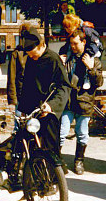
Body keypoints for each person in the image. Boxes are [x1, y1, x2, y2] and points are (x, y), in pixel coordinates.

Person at [18, 27, 71, 156]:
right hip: (33, 111)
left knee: (50, 148)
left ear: (42, 46)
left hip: (48, 111)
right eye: (30, 55)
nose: (32, 58)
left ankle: (54, 174)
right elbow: (27, 86)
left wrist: (51, 105)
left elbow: (64, 86)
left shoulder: (53, 59)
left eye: (34, 54)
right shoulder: (31, 60)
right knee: (30, 147)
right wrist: (23, 110)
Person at [59, 30, 103, 174]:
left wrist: (91, 68)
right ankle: (57, 163)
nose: (72, 46)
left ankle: (79, 161)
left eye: (76, 43)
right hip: (68, 102)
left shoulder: (93, 59)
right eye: (71, 43)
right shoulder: (67, 58)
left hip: (84, 102)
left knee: (82, 133)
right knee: (61, 132)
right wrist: (60, 65)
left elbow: (99, 82)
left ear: (84, 42)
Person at [7, 23, 29, 131]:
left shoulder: (37, 53)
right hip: (21, 94)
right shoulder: (17, 53)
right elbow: (11, 77)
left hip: (34, 94)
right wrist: (12, 100)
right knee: (19, 126)